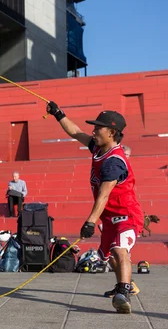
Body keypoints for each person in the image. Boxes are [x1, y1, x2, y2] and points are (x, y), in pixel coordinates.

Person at [46, 102, 143, 314]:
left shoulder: (114, 161)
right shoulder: (98, 148)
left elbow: (104, 194)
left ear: (112, 132)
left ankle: (123, 292)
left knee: (119, 249)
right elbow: (76, 132)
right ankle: (128, 284)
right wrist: (58, 114)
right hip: (109, 218)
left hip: (126, 215)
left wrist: (90, 222)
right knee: (108, 256)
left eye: (99, 128)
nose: (94, 130)